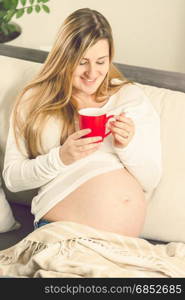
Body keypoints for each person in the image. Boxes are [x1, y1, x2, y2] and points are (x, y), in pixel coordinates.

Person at [3, 8, 162, 237]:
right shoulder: (34, 100)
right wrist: (61, 158)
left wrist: (128, 147)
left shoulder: (130, 97)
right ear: (64, 59)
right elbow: (12, 179)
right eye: (82, 62)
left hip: (122, 247)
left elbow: (151, 179)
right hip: (62, 233)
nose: (92, 73)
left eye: (100, 61)